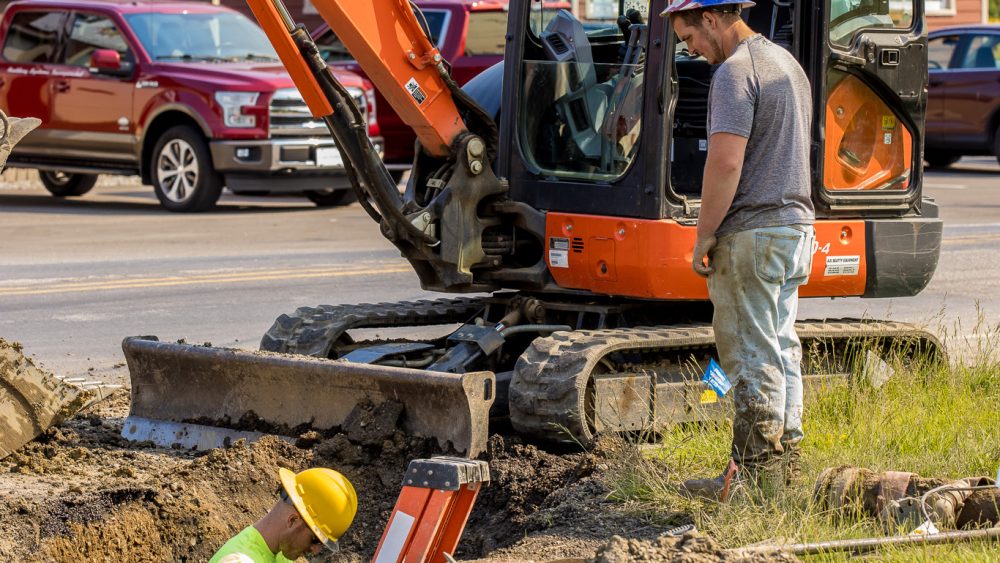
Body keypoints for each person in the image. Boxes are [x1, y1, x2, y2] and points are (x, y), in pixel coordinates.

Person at [661, 0, 816, 499]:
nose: (694, 51)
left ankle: (751, 477)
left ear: (710, 18)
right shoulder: (786, 64)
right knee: (781, 348)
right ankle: (784, 469)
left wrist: (704, 233)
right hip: (795, 229)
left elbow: (726, 163)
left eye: (690, 39)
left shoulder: (735, 72)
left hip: (753, 233)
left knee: (750, 357)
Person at [209, 467, 358, 563]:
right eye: (315, 540)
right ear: (293, 520)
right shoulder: (239, 560)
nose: (316, 550)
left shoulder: (281, 555)